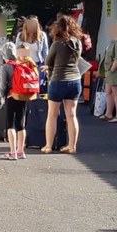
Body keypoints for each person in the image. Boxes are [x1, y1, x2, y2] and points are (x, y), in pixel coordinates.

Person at [42, 15, 84, 154]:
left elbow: (48, 61)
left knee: (52, 114)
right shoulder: (77, 42)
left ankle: (48, 145)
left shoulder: (57, 44)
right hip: (75, 80)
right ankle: (72, 146)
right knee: (71, 115)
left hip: (58, 80)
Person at [0, 42, 40, 159]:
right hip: (24, 95)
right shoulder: (26, 64)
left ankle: (12, 152)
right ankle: (21, 151)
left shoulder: (6, 67)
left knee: (10, 124)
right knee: (21, 124)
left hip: (11, 96)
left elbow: (2, 86)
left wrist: (2, 96)